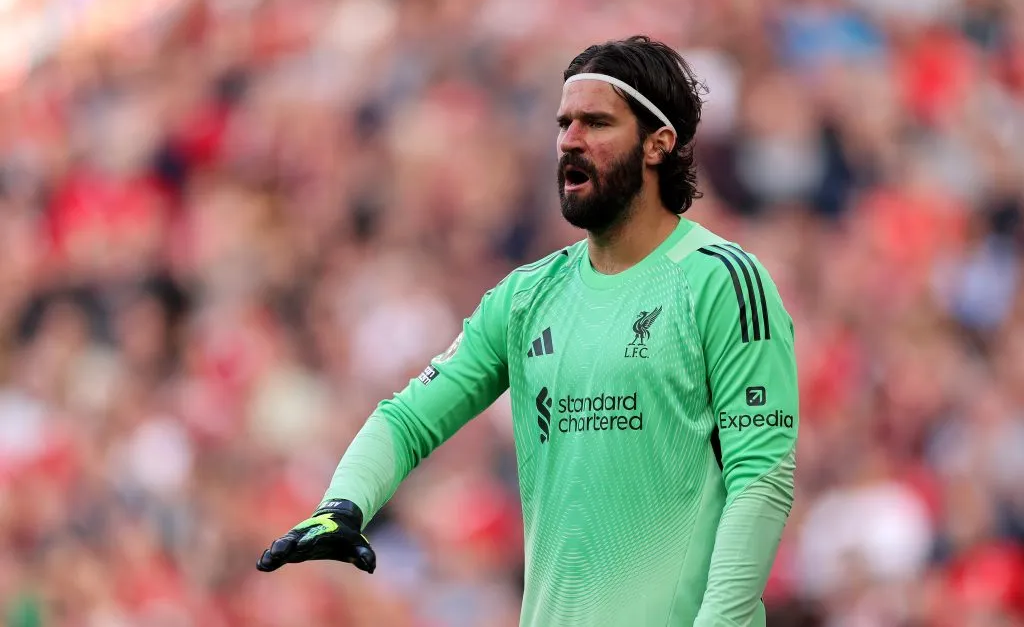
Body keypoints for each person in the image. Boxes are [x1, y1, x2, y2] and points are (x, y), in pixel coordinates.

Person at [257, 35, 799, 627]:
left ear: (658, 144)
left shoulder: (724, 282)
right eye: (564, 123)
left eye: (597, 122)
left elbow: (761, 481)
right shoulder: (526, 297)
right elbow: (407, 419)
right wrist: (343, 503)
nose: (570, 140)